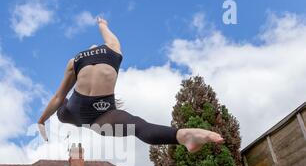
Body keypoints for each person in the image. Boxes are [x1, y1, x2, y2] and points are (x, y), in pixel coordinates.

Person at [38, 17, 224, 153]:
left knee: (63, 110)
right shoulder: (113, 49)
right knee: (138, 125)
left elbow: (58, 97)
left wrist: (41, 120)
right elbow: (108, 36)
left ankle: (184, 136)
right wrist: (103, 25)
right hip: (102, 114)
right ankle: (183, 136)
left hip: (77, 111)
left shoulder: (75, 60)